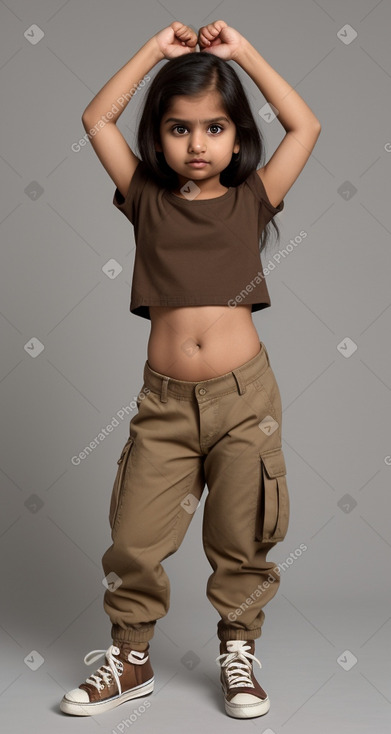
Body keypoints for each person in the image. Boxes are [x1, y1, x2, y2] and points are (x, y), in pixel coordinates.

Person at [60, 19, 321, 719]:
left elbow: (305, 127)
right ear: (158, 137)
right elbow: (97, 117)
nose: (196, 144)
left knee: (241, 538)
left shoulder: (251, 200)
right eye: (179, 129)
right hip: (165, 404)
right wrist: (153, 51)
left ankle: (238, 651)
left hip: (244, 399)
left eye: (213, 129)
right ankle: (131, 659)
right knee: (135, 538)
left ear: (237, 136)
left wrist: (242, 55)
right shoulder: (145, 198)